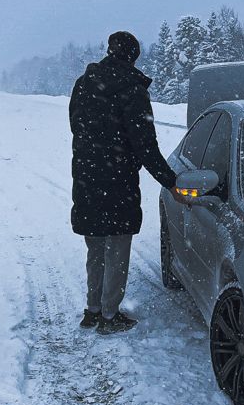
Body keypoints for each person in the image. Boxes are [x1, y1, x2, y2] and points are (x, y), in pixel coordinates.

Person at [69, 30, 178, 334]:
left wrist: (96, 151)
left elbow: (76, 126)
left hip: (87, 176)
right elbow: (145, 144)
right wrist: (169, 181)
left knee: (96, 247)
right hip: (117, 182)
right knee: (116, 248)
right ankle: (109, 315)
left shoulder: (84, 85)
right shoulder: (131, 89)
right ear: (132, 56)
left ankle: (93, 310)